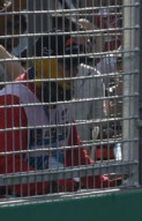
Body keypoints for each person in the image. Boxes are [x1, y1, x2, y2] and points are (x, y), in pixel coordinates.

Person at [0, 33, 117, 197]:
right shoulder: (13, 100)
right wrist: (58, 185)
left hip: (53, 196)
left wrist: (106, 185)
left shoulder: (62, 95)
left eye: (76, 65)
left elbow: (74, 155)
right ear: (47, 65)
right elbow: (8, 167)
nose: (76, 72)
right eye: (69, 65)